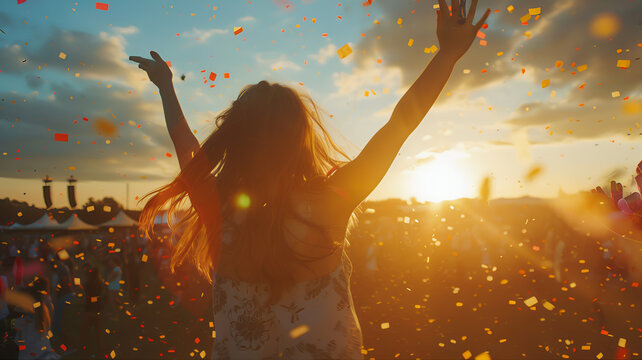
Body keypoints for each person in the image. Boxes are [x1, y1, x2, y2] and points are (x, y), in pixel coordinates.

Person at [131, 0, 490, 358]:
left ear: (235, 142)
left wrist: (166, 87)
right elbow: (398, 127)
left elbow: (188, 148)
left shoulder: (219, 212)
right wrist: (447, 56)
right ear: (300, 140)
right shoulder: (330, 202)